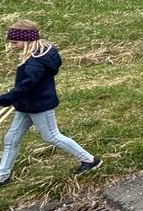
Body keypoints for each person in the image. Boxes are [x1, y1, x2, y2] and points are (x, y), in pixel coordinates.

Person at [0, 19, 102, 186]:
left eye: (15, 42)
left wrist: (5, 99)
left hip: (39, 105)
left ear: (27, 40)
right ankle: (3, 175)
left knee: (52, 136)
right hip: (26, 104)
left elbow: (25, 86)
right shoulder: (39, 53)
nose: (12, 45)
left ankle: (90, 160)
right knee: (11, 137)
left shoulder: (35, 62)